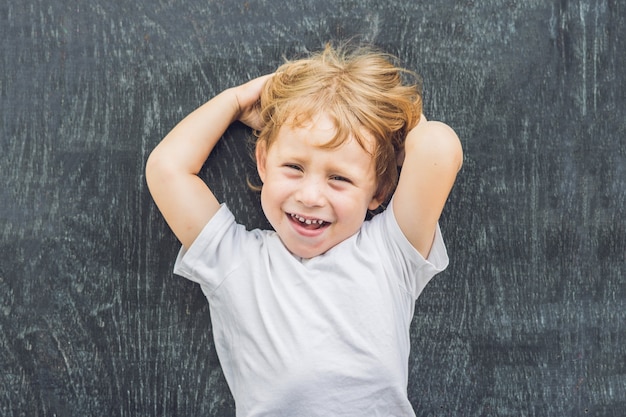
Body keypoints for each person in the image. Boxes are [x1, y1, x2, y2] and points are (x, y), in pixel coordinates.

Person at [146, 43, 463, 417]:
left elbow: (439, 147)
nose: (311, 196)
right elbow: (168, 170)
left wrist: (385, 112)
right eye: (294, 167)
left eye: (340, 178)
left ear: (378, 191)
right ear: (263, 161)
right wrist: (235, 101)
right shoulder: (235, 261)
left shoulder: (390, 253)